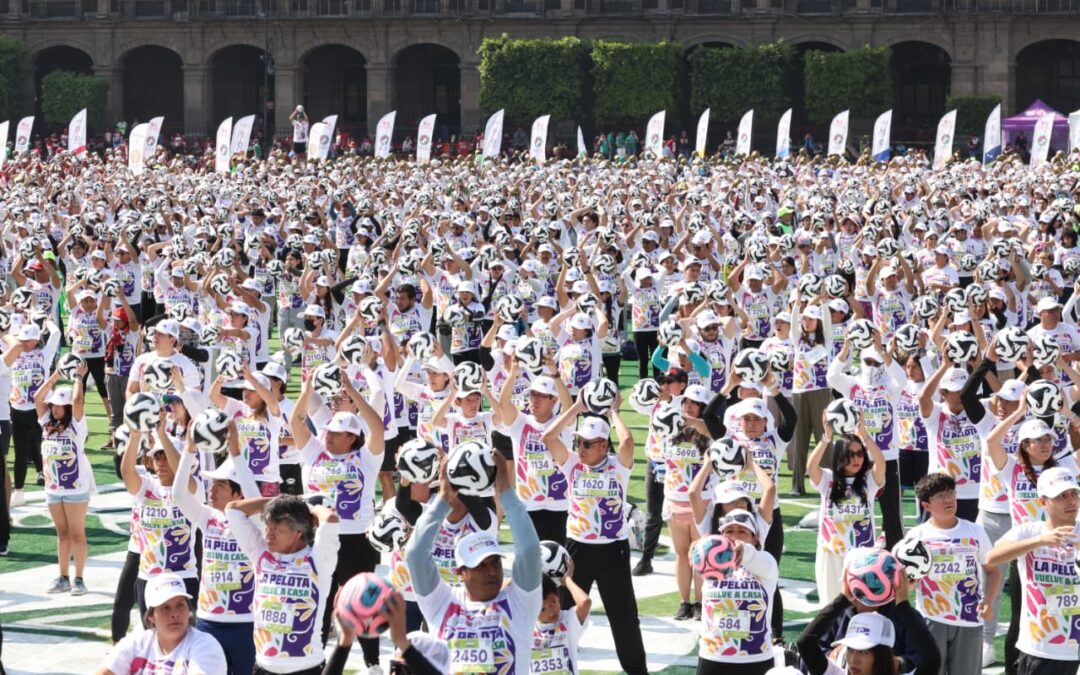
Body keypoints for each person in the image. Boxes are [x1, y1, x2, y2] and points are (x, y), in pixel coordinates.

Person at [542, 394, 650, 675]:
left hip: (613, 549)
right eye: (579, 442)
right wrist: (576, 408)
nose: (581, 448)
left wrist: (613, 412)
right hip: (577, 548)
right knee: (563, 610)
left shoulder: (618, 467)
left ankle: (637, 671)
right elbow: (548, 438)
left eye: (588, 444)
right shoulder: (572, 464)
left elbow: (628, 442)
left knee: (623, 615)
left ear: (604, 445)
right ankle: (556, 666)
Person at [405, 454, 542, 675]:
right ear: (461, 573)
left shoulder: (519, 602)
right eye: (481, 566)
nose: (492, 571)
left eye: (495, 563)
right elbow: (415, 555)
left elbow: (529, 551)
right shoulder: (443, 603)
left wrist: (506, 493)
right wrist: (443, 499)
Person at [171, 424, 261, 675]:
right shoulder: (207, 517)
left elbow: (254, 499)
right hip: (208, 620)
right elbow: (179, 495)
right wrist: (189, 450)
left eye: (220, 485)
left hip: (246, 622)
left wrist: (236, 455)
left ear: (238, 492)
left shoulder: (257, 525)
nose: (211, 489)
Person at [226, 494, 341, 675]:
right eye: (267, 527)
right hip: (263, 668)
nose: (268, 534)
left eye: (277, 529)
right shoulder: (260, 553)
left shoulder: (319, 560)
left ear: (298, 532)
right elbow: (233, 509)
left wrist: (309, 508)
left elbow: (330, 518)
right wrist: (283, 500)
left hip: (307, 669)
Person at [906, 473, 999, 675]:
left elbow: (992, 571)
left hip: (969, 619)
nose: (948, 499)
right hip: (931, 619)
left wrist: (989, 600)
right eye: (940, 496)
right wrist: (909, 583)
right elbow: (905, 581)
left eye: (950, 493)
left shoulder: (975, 531)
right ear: (926, 505)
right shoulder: (916, 536)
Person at [808, 414, 888, 604]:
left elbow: (881, 462)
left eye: (860, 453)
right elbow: (811, 467)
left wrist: (865, 435)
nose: (856, 459)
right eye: (850, 454)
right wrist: (826, 438)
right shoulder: (827, 479)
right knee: (831, 606)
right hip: (831, 554)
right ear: (839, 456)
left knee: (861, 606)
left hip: (863, 555)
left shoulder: (869, 481)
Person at [94, 573, 227, 675]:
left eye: (180, 605)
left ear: (189, 610)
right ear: (151, 616)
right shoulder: (136, 644)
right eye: (165, 608)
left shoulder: (206, 646)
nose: (175, 614)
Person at [36, 363, 91, 595]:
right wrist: (56, 375)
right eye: (53, 405)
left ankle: (79, 579)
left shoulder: (77, 425)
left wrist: (78, 377)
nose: (54, 408)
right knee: (61, 533)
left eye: (59, 405)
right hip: (53, 488)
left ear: (68, 407)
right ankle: (63, 576)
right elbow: (37, 398)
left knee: (77, 533)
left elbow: (78, 401)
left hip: (76, 487)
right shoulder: (47, 423)